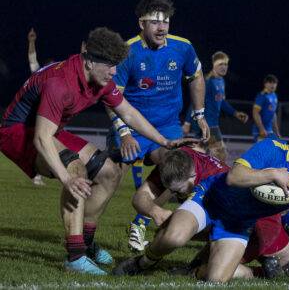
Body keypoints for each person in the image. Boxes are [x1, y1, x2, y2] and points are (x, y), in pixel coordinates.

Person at [0, 27, 195, 275]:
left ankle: (88, 243)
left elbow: (128, 112)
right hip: (17, 134)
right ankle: (75, 256)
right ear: (90, 62)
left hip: (48, 130)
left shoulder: (100, 80)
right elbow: (41, 137)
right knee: (76, 168)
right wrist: (66, 177)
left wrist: (164, 141)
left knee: (109, 172)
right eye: (111, 65)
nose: (115, 72)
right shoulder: (60, 83)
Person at [112, 117, 289, 282]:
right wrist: (273, 174)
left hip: (240, 222)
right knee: (174, 237)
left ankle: (191, 270)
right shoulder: (271, 149)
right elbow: (234, 177)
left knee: (216, 280)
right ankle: (141, 264)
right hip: (212, 197)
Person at [104, 0, 210, 252]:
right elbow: (111, 97)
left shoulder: (182, 47)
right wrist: (124, 132)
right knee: (109, 177)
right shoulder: (127, 51)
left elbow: (195, 77)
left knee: (175, 169)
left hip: (166, 126)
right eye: (154, 22)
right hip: (131, 125)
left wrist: (200, 115)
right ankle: (84, 241)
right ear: (142, 24)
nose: (161, 28)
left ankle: (141, 223)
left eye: (165, 22)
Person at [183, 51, 249, 163]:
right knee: (221, 155)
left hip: (211, 123)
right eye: (220, 64)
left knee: (202, 152)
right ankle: (182, 152)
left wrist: (235, 113)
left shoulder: (221, 81)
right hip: (208, 124)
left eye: (226, 64)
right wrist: (187, 122)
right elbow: (196, 100)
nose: (223, 67)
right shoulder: (208, 81)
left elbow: (221, 101)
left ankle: (183, 154)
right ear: (214, 64)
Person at [27, 27, 55, 186]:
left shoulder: (58, 82)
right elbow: (32, 59)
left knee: (46, 145)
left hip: (49, 118)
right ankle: (36, 175)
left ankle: (45, 172)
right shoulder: (40, 77)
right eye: (49, 66)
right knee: (38, 145)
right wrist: (31, 42)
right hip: (36, 117)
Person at [252, 74, 281, 142]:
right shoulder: (262, 96)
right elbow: (255, 113)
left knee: (278, 150)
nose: (272, 85)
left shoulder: (274, 96)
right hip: (260, 131)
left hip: (270, 131)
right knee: (263, 151)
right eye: (270, 82)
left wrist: (277, 132)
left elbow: (273, 114)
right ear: (265, 84)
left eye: (274, 83)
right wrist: (261, 129)